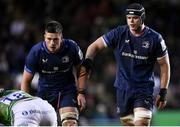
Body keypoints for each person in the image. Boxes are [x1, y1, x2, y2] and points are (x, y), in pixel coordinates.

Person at [82, 3, 170, 126]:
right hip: (123, 90)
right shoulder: (119, 33)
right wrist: (88, 61)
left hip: (143, 90)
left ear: (142, 18)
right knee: (128, 125)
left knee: (141, 124)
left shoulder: (155, 39)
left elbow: (165, 65)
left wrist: (163, 91)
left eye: (135, 18)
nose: (131, 21)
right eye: (129, 18)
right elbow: (94, 46)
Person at [21, 20, 87, 126]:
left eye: (56, 39)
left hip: (67, 91)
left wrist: (81, 92)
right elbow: (26, 80)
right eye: (49, 39)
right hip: (44, 93)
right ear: (44, 37)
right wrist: (26, 102)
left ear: (61, 38)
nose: (52, 43)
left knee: (70, 122)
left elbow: (82, 70)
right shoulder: (36, 52)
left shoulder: (71, 47)